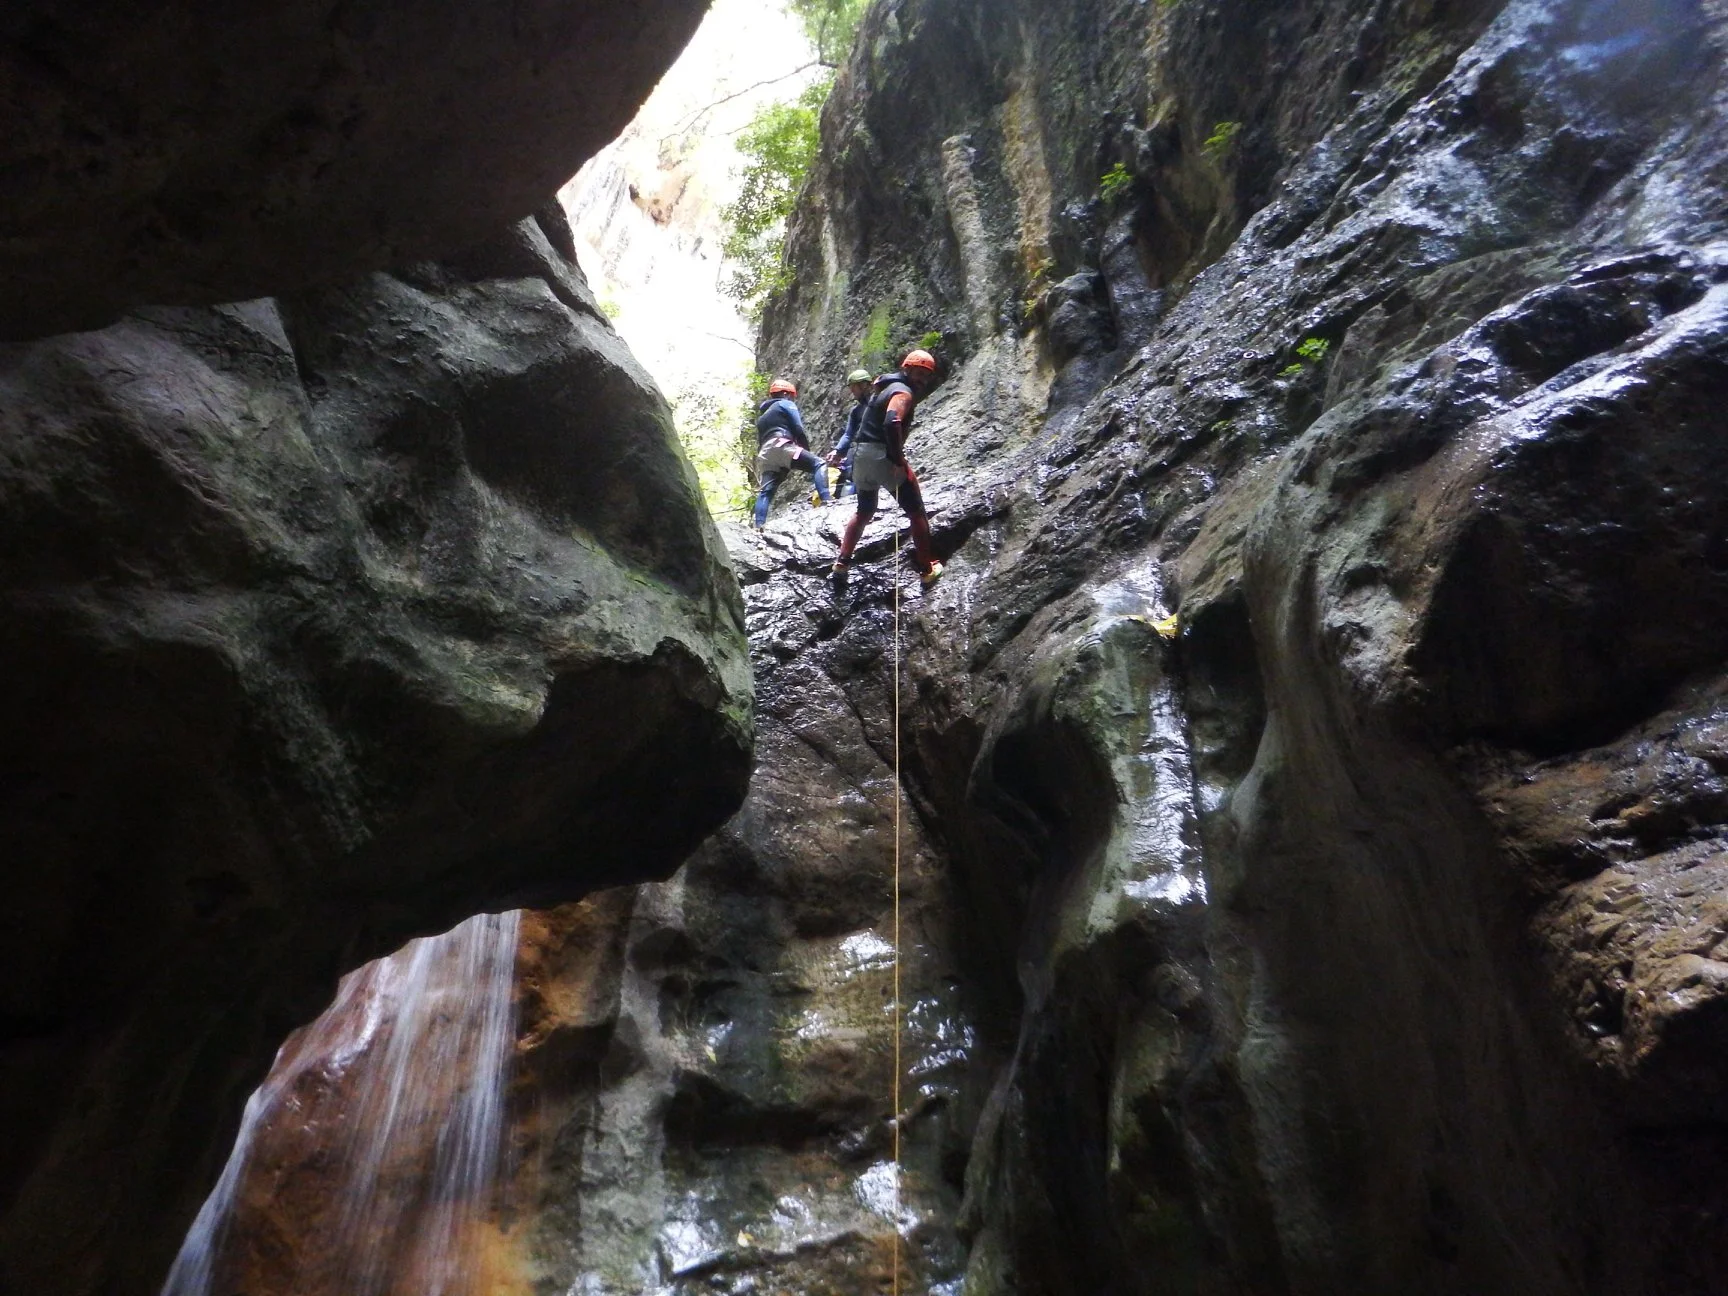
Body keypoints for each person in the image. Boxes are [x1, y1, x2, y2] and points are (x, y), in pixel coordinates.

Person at [832, 349, 943, 585]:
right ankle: (927, 568)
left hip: (860, 456)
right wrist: (897, 459)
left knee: (864, 511)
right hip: (881, 455)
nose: (922, 379)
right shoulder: (902, 392)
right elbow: (892, 421)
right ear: (907, 369)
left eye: (926, 375)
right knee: (916, 511)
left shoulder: (882, 389)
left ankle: (842, 562)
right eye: (919, 373)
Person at [752, 377, 830, 529]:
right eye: (793, 396)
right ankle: (827, 500)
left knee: (766, 491)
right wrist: (806, 450)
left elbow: (762, 440)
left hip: (766, 453)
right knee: (818, 464)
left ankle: (759, 525)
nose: (793, 399)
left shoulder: (762, 418)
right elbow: (798, 428)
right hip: (782, 444)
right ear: (786, 394)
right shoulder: (786, 404)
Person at [825, 368, 874, 500]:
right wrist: (837, 451)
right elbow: (848, 434)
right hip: (860, 449)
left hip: (875, 447)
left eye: (854, 389)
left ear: (864, 385)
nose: (853, 393)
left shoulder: (880, 403)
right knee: (849, 476)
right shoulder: (856, 411)